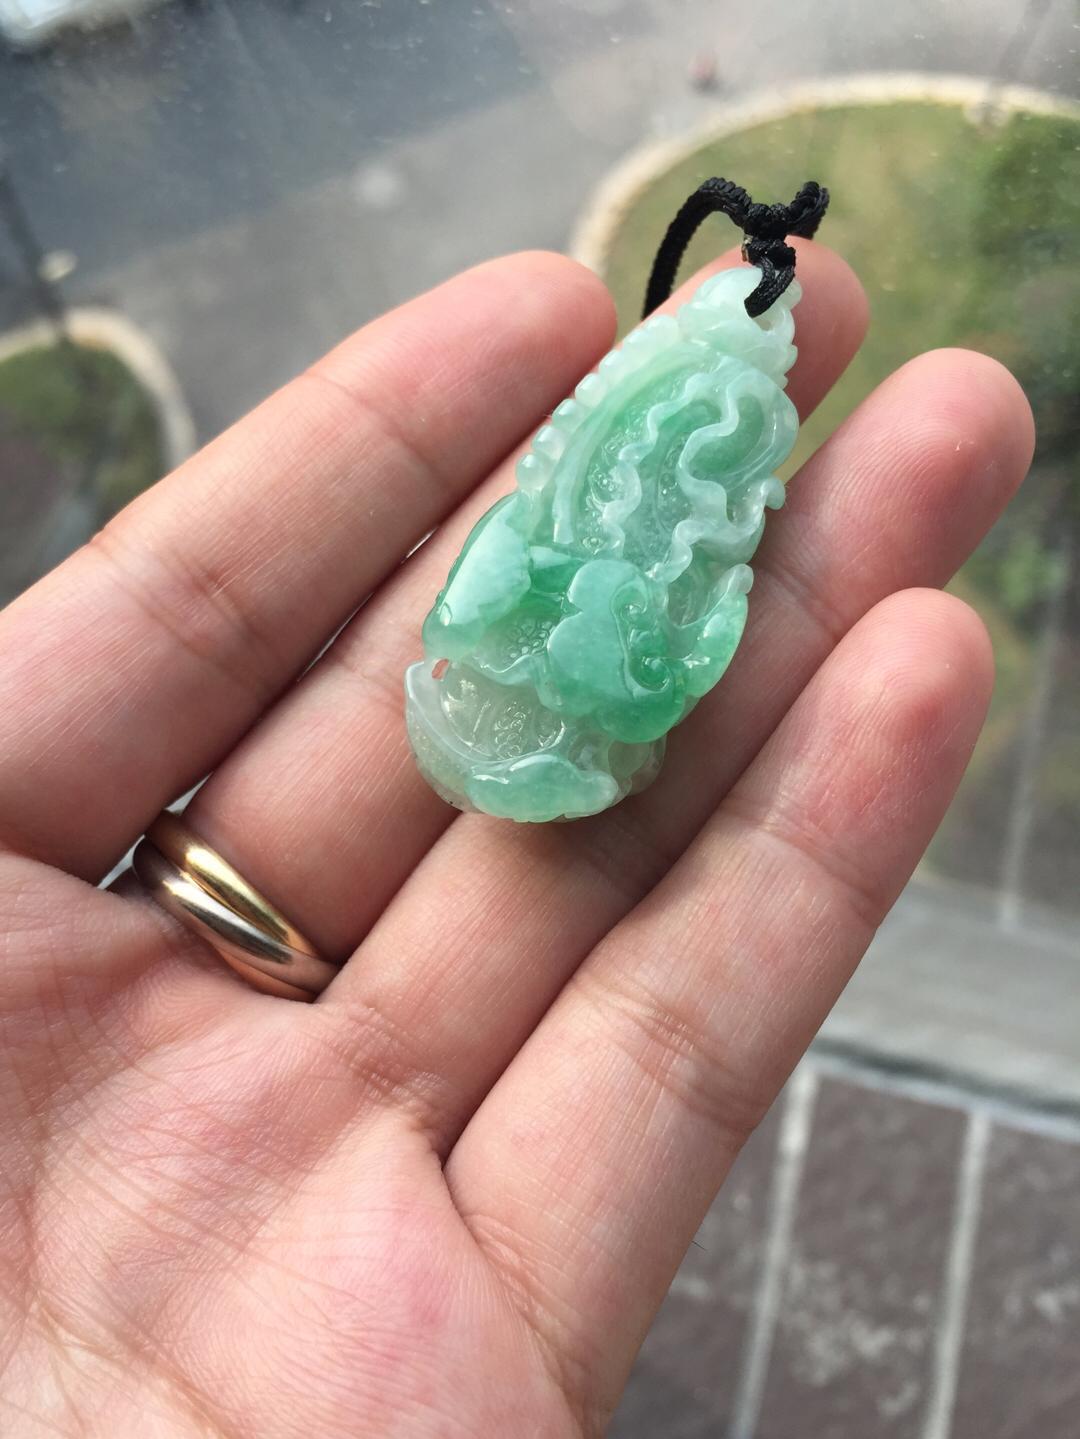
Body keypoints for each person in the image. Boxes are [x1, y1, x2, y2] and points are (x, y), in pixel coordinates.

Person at [0, 243, 1033, 1436]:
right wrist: (541, 608)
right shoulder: (572, 504)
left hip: (593, 675)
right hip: (538, 656)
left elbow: (673, 648)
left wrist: (608, 642)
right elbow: (507, 575)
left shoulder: (681, 521)